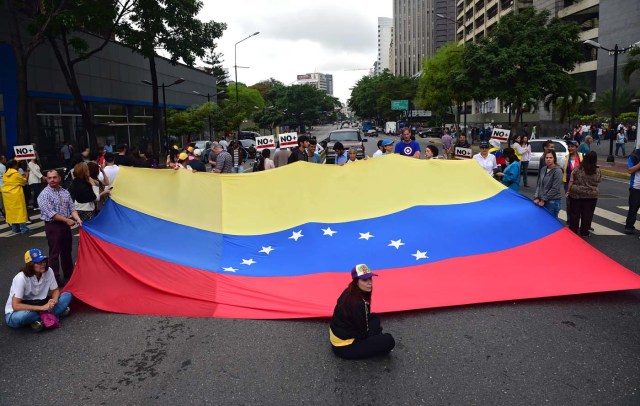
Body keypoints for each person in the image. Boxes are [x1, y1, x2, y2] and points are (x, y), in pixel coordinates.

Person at [329, 264, 395, 360]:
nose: (369, 283)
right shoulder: (357, 303)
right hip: (344, 347)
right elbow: (362, 333)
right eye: (364, 280)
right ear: (356, 281)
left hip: (341, 334)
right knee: (388, 340)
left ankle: (375, 339)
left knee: (374, 318)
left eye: (370, 279)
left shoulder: (349, 290)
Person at [5, 249, 73, 332]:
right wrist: (41, 308)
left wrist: (53, 301)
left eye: (43, 261)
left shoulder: (49, 271)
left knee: (67, 295)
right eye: (38, 262)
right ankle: (51, 316)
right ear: (30, 265)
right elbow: (16, 306)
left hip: (42, 305)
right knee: (24, 316)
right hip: (20, 311)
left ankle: (39, 322)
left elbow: (55, 290)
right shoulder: (20, 278)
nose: (43, 264)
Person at [37, 169, 83, 286]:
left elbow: (72, 208)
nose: (52, 180)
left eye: (54, 177)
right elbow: (50, 213)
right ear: (46, 179)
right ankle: (54, 279)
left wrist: (77, 218)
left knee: (67, 250)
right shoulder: (44, 195)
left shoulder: (65, 192)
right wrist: (67, 220)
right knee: (54, 253)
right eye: (49, 178)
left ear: (59, 178)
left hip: (65, 225)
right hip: (53, 225)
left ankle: (69, 273)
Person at [567, 151, 601, 237]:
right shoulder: (597, 170)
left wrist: (568, 191)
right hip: (591, 195)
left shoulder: (577, 169)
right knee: (587, 214)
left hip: (576, 194)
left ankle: (573, 230)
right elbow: (598, 181)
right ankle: (584, 232)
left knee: (575, 213)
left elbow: (571, 181)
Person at [1, 159, 30, 234]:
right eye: (16, 165)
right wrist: (27, 173)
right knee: (20, 211)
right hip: (16, 194)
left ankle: (15, 229)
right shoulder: (15, 174)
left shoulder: (5, 174)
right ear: (14, 166)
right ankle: (24, 229)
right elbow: (23, 182)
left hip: (7, 195)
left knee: (11, 212)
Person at [534, 151, 563, 218]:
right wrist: (536, 197)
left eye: (550, 157)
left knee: (551, 224)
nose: (548, 159)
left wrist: (543, 199)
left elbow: (555, 188)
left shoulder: (558, 171)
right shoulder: (543, 169)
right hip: (542, 200)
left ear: (554, 159)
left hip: (552, 201)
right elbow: (539, 184)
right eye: (546, 157)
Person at [563, 140, 582, 215]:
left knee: (578, 202)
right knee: (569, 202)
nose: (570, 148)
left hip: (579, 183)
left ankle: (576, 220)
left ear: (576, 148)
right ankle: (569, 221)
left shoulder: (581, 157)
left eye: (572, 147)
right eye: (569, 147)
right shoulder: (565, 158)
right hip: (567, 182)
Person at [624, 148, 640, 235]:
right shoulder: (634, 156)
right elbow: (630, 170)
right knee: (633, 208)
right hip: (636, 187)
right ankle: (629, 226)